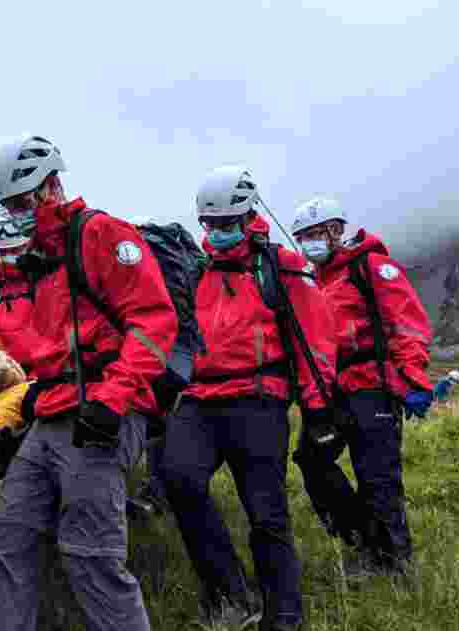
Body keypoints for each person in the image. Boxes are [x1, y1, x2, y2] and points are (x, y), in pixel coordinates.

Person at [0, 135, 179, 631]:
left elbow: (153, 323)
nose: (17, 213)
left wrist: (114, 399)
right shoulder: (41, 259)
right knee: (3, 544)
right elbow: (52, 343)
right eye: (9, 206)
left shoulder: (102, 236)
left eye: (23, 202)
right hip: (53, 416)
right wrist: (38, 386)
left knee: (91, 556)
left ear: (52, 187)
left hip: (100, 417)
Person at [161, 166, 337, 631]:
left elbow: (313, 341)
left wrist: (318, 411)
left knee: (266, 512)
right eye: (210, 225)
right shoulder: (194, 270)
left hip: (259, 398)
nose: (217, 233)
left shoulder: (281, 266)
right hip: (199, 398)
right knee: (178, 480)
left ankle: (283, 615)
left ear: (249, 214)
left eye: (227, 224)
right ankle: (229, 594)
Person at [290, 196, 433, 579]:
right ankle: (362, 539)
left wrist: (413, 379)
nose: (308, 244)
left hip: (373, 386)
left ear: (336, 230)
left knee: (378, 476)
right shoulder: (313, 281)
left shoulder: (372, 267)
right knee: (311, 460)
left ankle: (395, 564)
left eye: (314, 234)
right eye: (301, 237)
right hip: (333, 392)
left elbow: (407, 325)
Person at [0, 218, 38, 374]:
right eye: (3, 252)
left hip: (42, 376)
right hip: (3, 375)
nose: (8, 256)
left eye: (15, 250)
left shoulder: (47, 282)